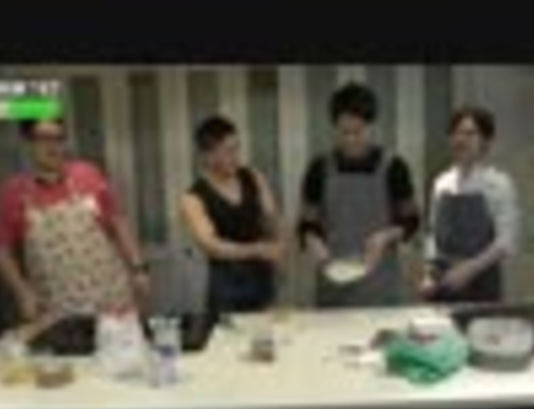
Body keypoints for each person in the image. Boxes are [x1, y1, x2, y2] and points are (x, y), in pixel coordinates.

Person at [0, 118, 150, 322]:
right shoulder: (13, 192)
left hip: (111, 296)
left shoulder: (88, 174)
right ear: (28, 143)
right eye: (44, 138)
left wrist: (138, 268)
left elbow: (118, 221)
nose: (53, 146)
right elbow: (1, 250)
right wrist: (22, 291)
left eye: (58, 138)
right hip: (59, 306)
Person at [298, 83, 420, 307]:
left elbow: (411, 221)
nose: (350, 139)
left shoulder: (394, 167)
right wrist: (314, 242)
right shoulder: (319, 168)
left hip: (379, 283)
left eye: (358, 132)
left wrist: (384, 237)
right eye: (344, 132)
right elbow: (307, 223)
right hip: (332, 281)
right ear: (334, 127)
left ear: (371, 126)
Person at [180, 115, 285, 315]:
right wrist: (257, 249)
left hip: (262, 277)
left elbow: (270, 217)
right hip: (226, 284)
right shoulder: (193, 198)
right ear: (208, 156)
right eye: (229, 151)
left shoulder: (252, 177)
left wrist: (277, 242)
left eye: (237, 148)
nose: (236, 157)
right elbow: (211, 246)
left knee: (266, 330)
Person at [420, 106, 522, 303]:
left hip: (482, 286)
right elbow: (433, 234)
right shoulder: (441, 183)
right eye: (456, 133)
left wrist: (469, 270)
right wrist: (428, 274)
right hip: (443, 283)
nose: (461, 140)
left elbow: (506, 241)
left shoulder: (498, 184)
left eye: (470, 134)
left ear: (485, 141)